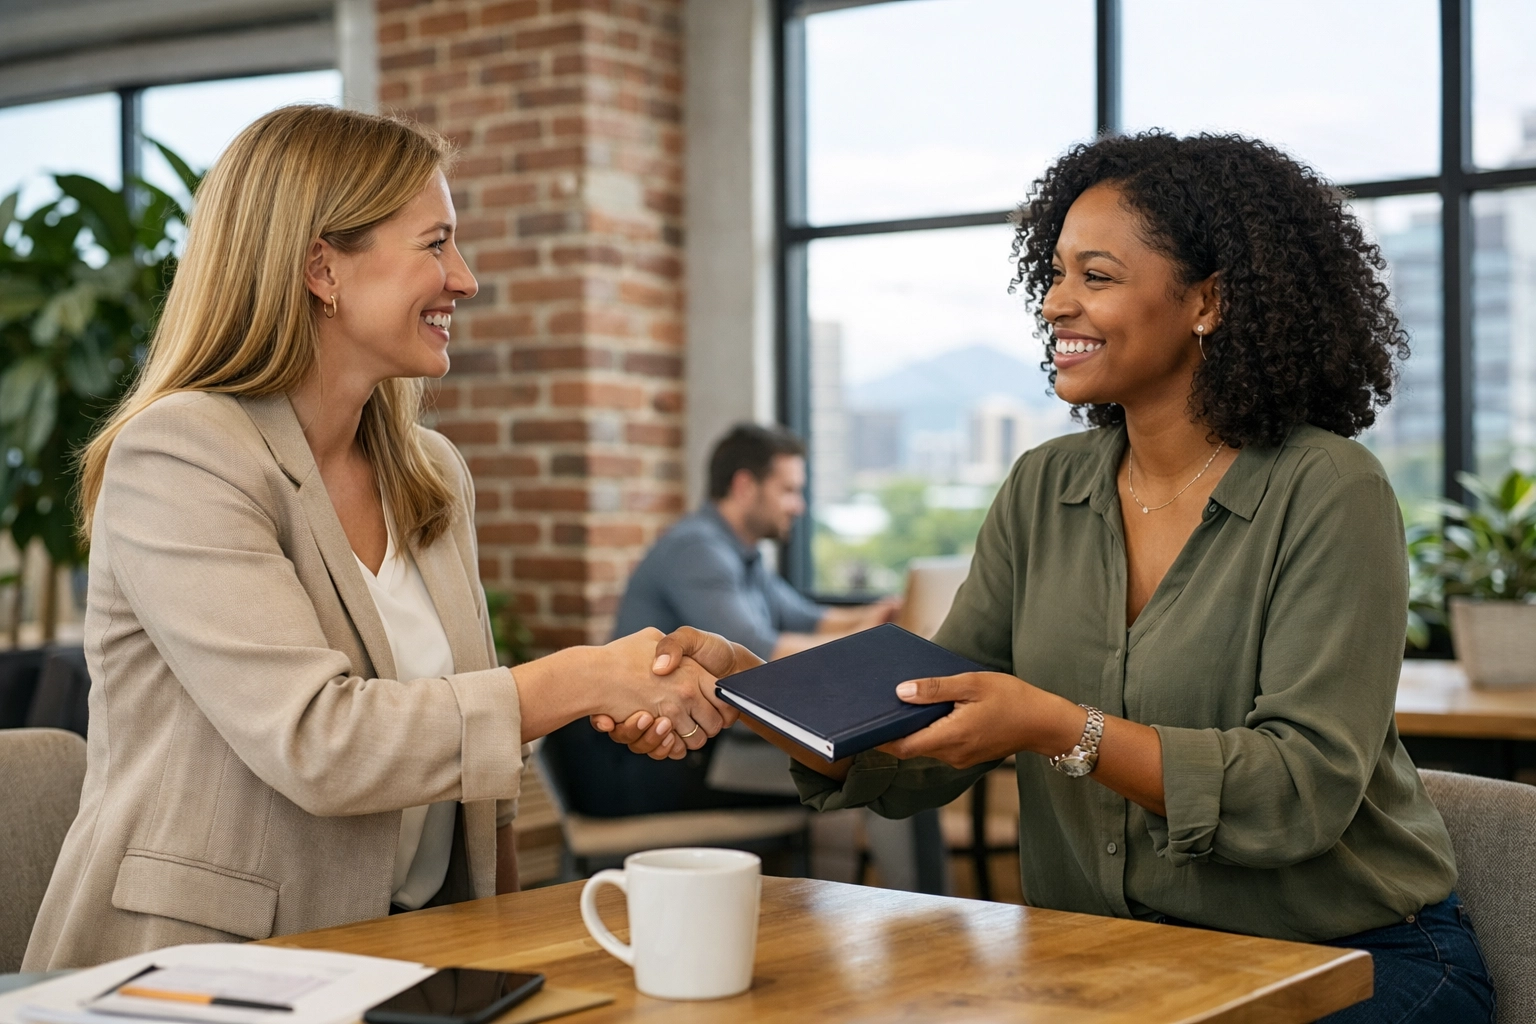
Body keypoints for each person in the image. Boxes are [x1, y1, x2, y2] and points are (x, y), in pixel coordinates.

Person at [610, 133, 1497, 1022]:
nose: (1056, 302)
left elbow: (1299, 792)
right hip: (1117, 966)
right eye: (1058, 272)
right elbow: (919, 719)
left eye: (1097, 276)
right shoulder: (1044, 487)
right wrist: (758, 693)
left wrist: (1057, 727)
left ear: (1210, 300)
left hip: (1350, 962)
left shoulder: (1329, 490)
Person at [24, 105, 736, 970]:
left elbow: (476, 753)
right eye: (435, 244)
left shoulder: (428, 472)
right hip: (199, 968)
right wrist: (584, 678)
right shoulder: (182, 454)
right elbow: (321, 743)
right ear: (323, 266)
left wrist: (504, 952)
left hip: (411, 952)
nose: (464, 279)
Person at [543, 423, 896, 817]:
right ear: (745, 486)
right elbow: (761, 655)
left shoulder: (742, 555)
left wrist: (879, 616)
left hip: (700, 749)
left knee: (868, 764)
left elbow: (808, 619)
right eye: (789, 490)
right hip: (642, 765)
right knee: (872, 768)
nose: (799, 506)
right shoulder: (697, 549)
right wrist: (881, 648)